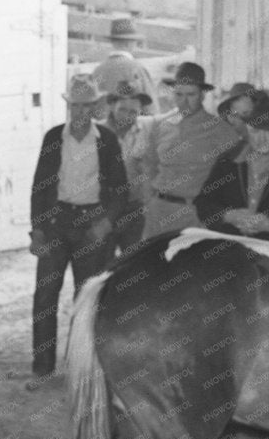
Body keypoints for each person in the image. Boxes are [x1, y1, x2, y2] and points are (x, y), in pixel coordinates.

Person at [28, 76, 128, 389]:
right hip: (57, 221)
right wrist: (37, 230)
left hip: (92, 224)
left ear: (96, 106)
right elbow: (40, 186)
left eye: (87, 105)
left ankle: (79, 369)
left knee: (86, 298)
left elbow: (119, 189)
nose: (81, 111)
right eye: (75, 105)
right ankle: (42, 369)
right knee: (45, 295)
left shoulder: (107, 140)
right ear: (68, 106)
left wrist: (106, 223)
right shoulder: (54, 137)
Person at [196, 93, 269, 244]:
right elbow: (202, 204)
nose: (261, 139)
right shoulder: (228, 162)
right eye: (255, 131)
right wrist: (229, 216)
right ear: (247, 129)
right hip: (229, 249)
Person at [140, 62, 240, 240]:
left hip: (194, 215)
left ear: (202, 95)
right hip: (158, 212)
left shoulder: (221, 130)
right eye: (179, 94)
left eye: (191, 95)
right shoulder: (161, 125)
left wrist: (215, 214)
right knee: (152, 265)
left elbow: (234, 176)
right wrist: (149, 200)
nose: (184, 101)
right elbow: (149, 164)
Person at [103, 81, 154, 257]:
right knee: (102, 266)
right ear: (111, 106)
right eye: (122, 110)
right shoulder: (97, 133)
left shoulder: (148, 128)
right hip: (105, 210)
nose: (127, 116)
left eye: (133, 111)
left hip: (136, 210)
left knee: (135, 264)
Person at [91, 18, 156, 109]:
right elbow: (151, 108)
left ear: (113, 42)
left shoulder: (98, 70)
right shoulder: (137, 69)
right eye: (135, 42)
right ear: (128, 43)